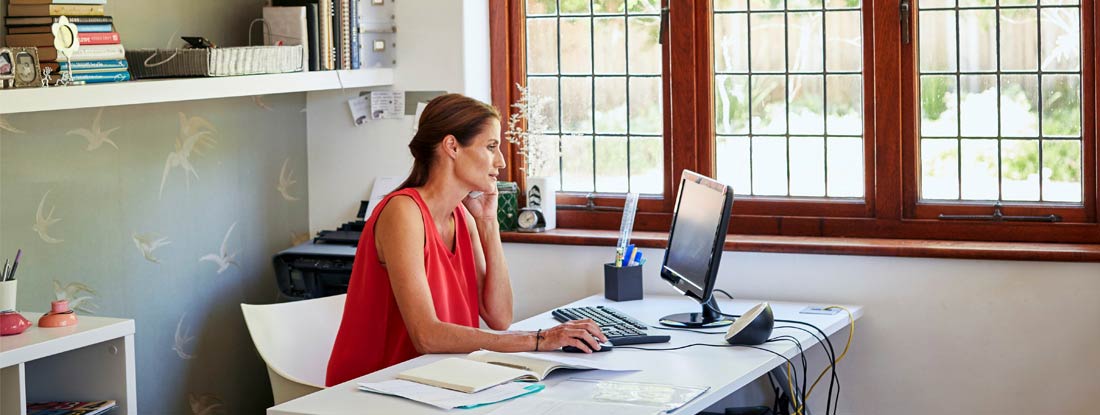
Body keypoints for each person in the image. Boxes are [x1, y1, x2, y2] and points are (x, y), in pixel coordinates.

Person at [325, 94, 608, 386]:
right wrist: (540, 339)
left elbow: (499, 317)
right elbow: (427, 336)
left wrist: (488, 224)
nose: (500, 162)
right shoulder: (403, 213)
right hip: (376, 388)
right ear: (452, 146)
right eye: (491, 147)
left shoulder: (461, 215)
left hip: (438, 381)